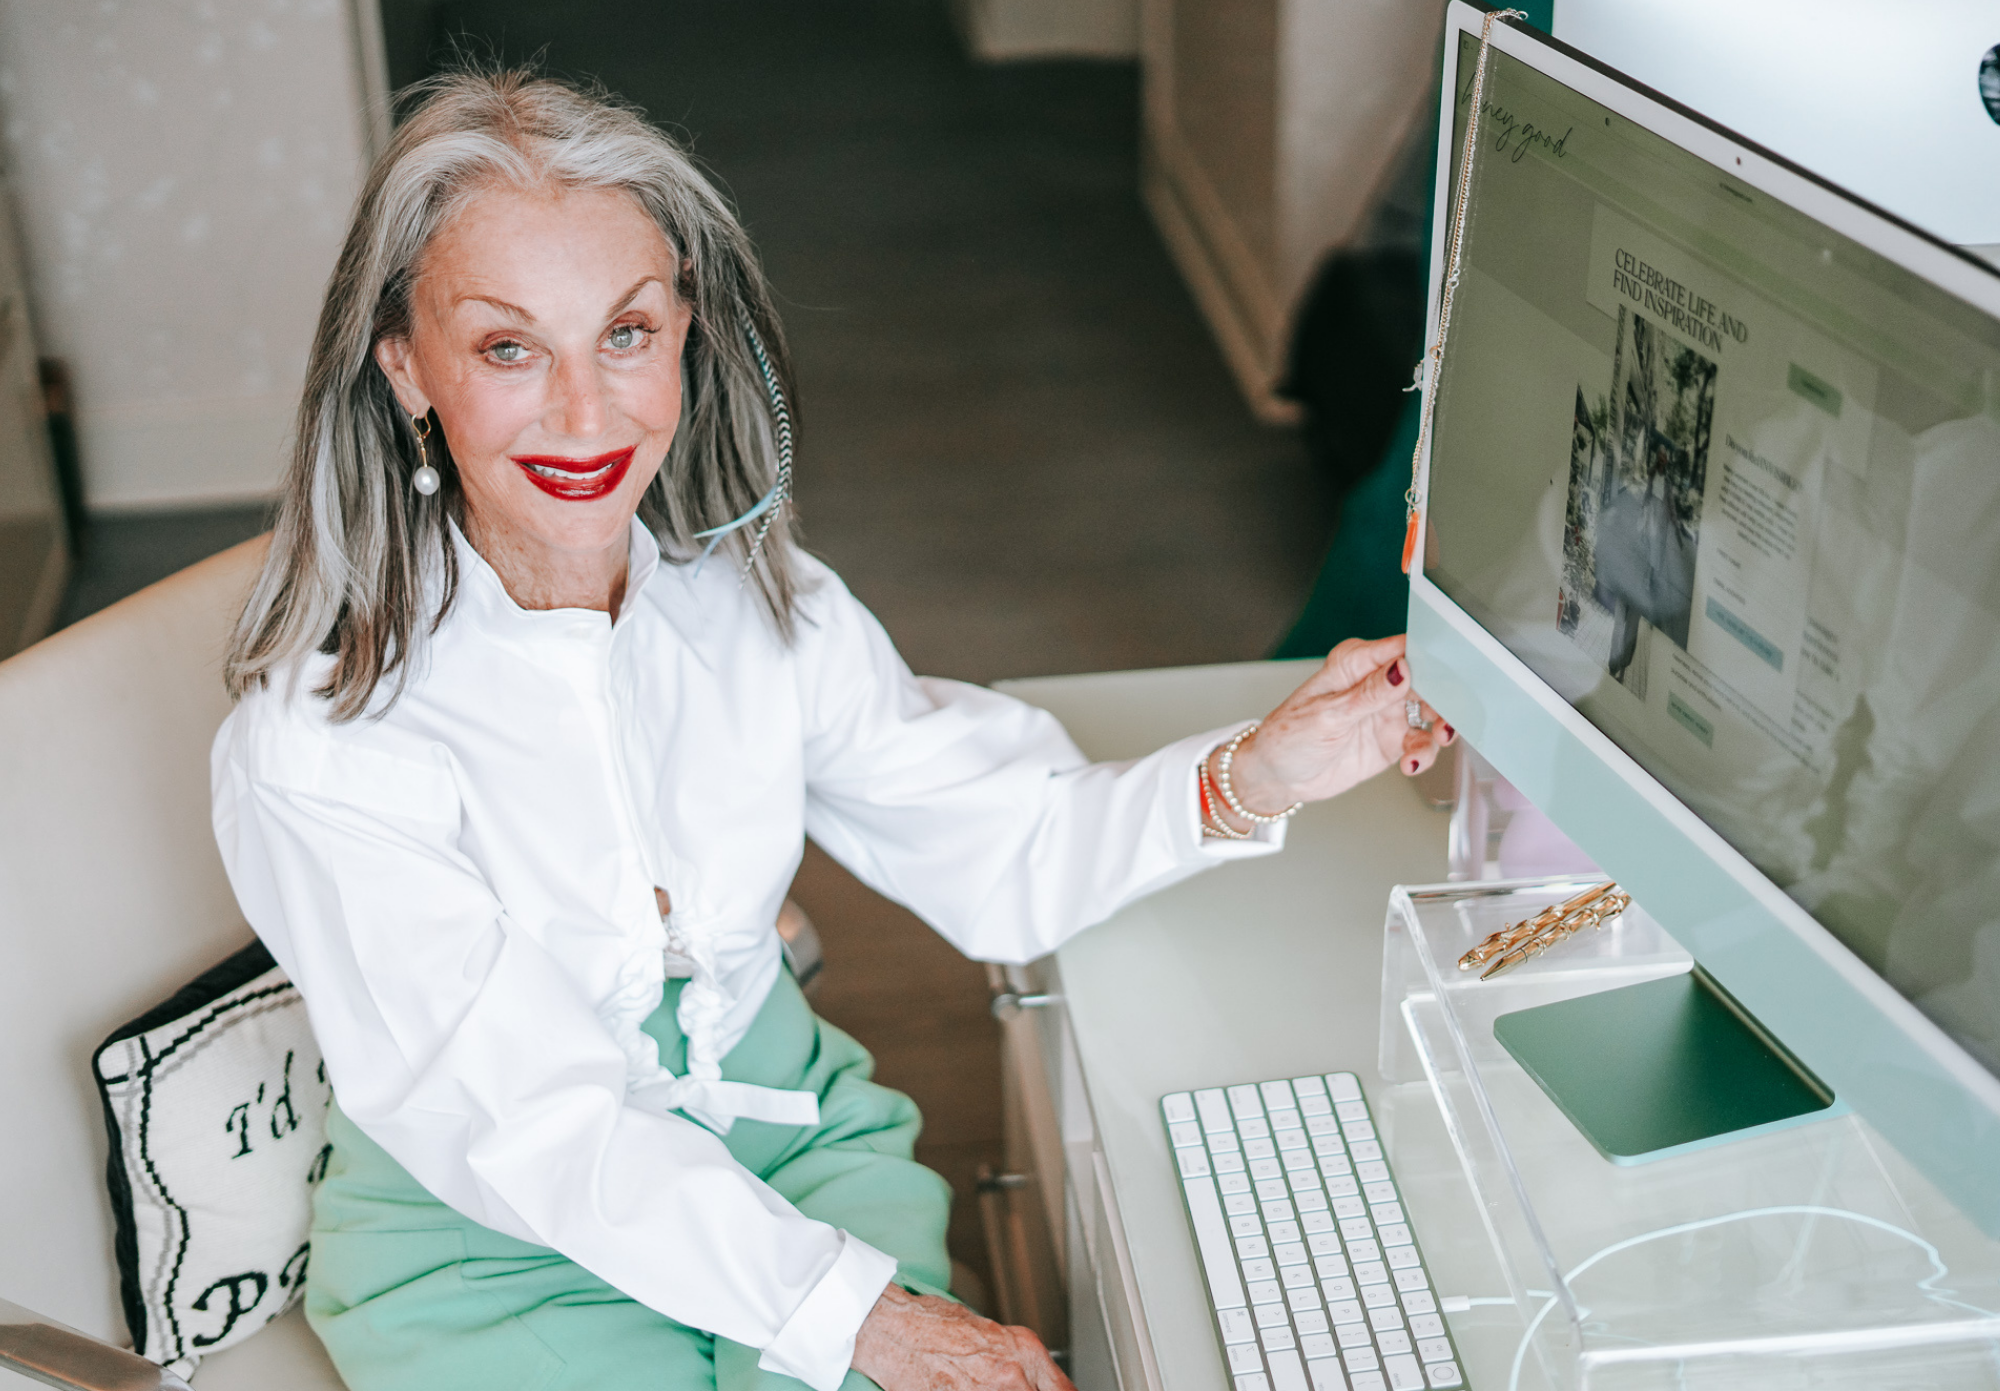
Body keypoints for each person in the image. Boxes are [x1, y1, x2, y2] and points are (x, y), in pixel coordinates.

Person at [210, 70, 1452, 1391]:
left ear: (686, 328)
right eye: (509, 349)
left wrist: (1257, 773)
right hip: (494, 1236)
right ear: (405, 365)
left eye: (625, 332)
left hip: (787, 1139)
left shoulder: (761, 604)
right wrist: (862, 1319)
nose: (585, 412)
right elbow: (529, 1124)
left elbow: (1000, 843)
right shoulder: (320, 739)